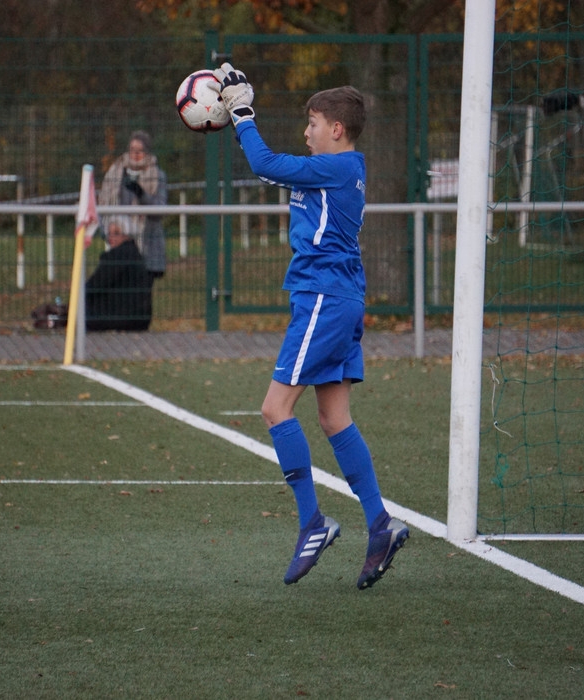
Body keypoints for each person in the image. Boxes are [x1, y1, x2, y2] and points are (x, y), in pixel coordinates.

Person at [210, 63, 409, 589]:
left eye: (314, 123)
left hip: (324, 298)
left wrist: (242, 114)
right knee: (334, 418)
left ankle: (312, 523)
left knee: (275, 409)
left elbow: (263, 164)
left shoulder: (336, 168)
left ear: (337, 129)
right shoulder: (340, 169)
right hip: (338, 299)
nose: (306, 132)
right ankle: (380, 524)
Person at [99, 130, 168, 281]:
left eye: (140, 150)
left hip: (146, 244)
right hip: (119, 243)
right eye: (132, 150)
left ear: (147, 151)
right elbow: (103, 202)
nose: (135, 154)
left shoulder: (157, 175)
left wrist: (141, 194)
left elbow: (160, 210)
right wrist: (105, 228)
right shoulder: (115, 171)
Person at [84, 215, 153, 331]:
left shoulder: (117, 257)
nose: (111, 237)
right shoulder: (135, 254)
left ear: (127, 235)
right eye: (109, 233)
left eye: (116, 233)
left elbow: (95, 284)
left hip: (119, 317)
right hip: (140, 317)